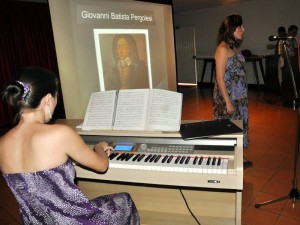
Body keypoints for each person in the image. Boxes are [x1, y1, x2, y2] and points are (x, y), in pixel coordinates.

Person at [0, 67, 140, 224]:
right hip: (73, 221)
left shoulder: (2, 143)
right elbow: (101, 166)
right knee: (124, 201)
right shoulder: (60, 133)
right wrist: (99, 148)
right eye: (56, 96)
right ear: (48, 99)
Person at [212, 14, 252, 168]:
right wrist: (228, 102)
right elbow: (220, 78)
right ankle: (228, 161)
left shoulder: (232, 46)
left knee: (238, 127)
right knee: (229, 129)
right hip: (228, 97)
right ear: (231, 29)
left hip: (239, 96)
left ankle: (239, 157)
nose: (243, 29)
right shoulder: (222, 49)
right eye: (240, 27)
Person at [281, 25, 299, 107]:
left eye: (296, 32)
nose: (295, 33)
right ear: (289, 31)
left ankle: (294, 100)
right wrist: (287, 60)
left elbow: (296, 50)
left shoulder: (294, 40)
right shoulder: (284, 39)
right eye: (294, 32)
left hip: (293, 61)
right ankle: (287, 102)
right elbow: (282, 52)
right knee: (287, 81)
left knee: (295, 80)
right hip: (287, 61)